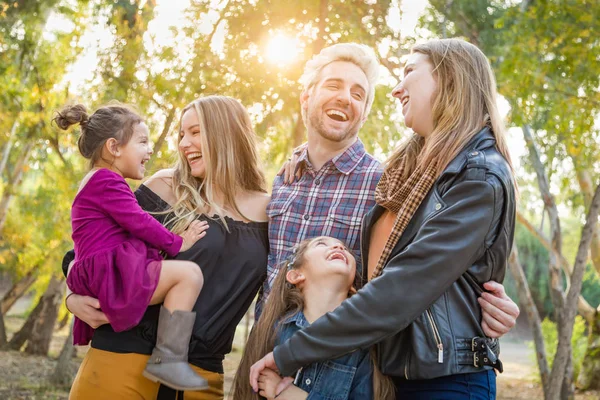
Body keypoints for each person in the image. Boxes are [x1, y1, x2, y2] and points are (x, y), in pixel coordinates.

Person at [250, 38, 517, 399]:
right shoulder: (404, 179)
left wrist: (482, 305)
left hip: (410, 375)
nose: (396, 88)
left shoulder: (463, 174)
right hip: (288, 362)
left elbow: (405, 284)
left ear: (449, 81)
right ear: (306, 96)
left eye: (409, 73)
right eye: (333, 85)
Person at [62, 96, 270, 400]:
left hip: (200, 377)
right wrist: (71, 298)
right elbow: (89, 248)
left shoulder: (271, 211)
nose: (184, 144)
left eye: (196, 132)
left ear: (228, 133)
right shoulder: (165, 187)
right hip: (122, 362)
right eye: (181, 135)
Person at [55, 103, 209, 391]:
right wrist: (179, 241)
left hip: (97, 270)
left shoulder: (98, 182)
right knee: (189, 275)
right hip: (107, 273)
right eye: (142, 142)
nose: (149, 150)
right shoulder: (106, 181)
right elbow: (139, 221)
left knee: (182, 276)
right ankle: (170, 360)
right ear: (113, 147)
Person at [233, 236, 394, 400]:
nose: (339, 248)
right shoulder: (275, 332)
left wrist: (295, 396)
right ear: (296, 275)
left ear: (352, 285)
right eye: (322, 243)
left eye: (345, 248)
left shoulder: (361, 344)